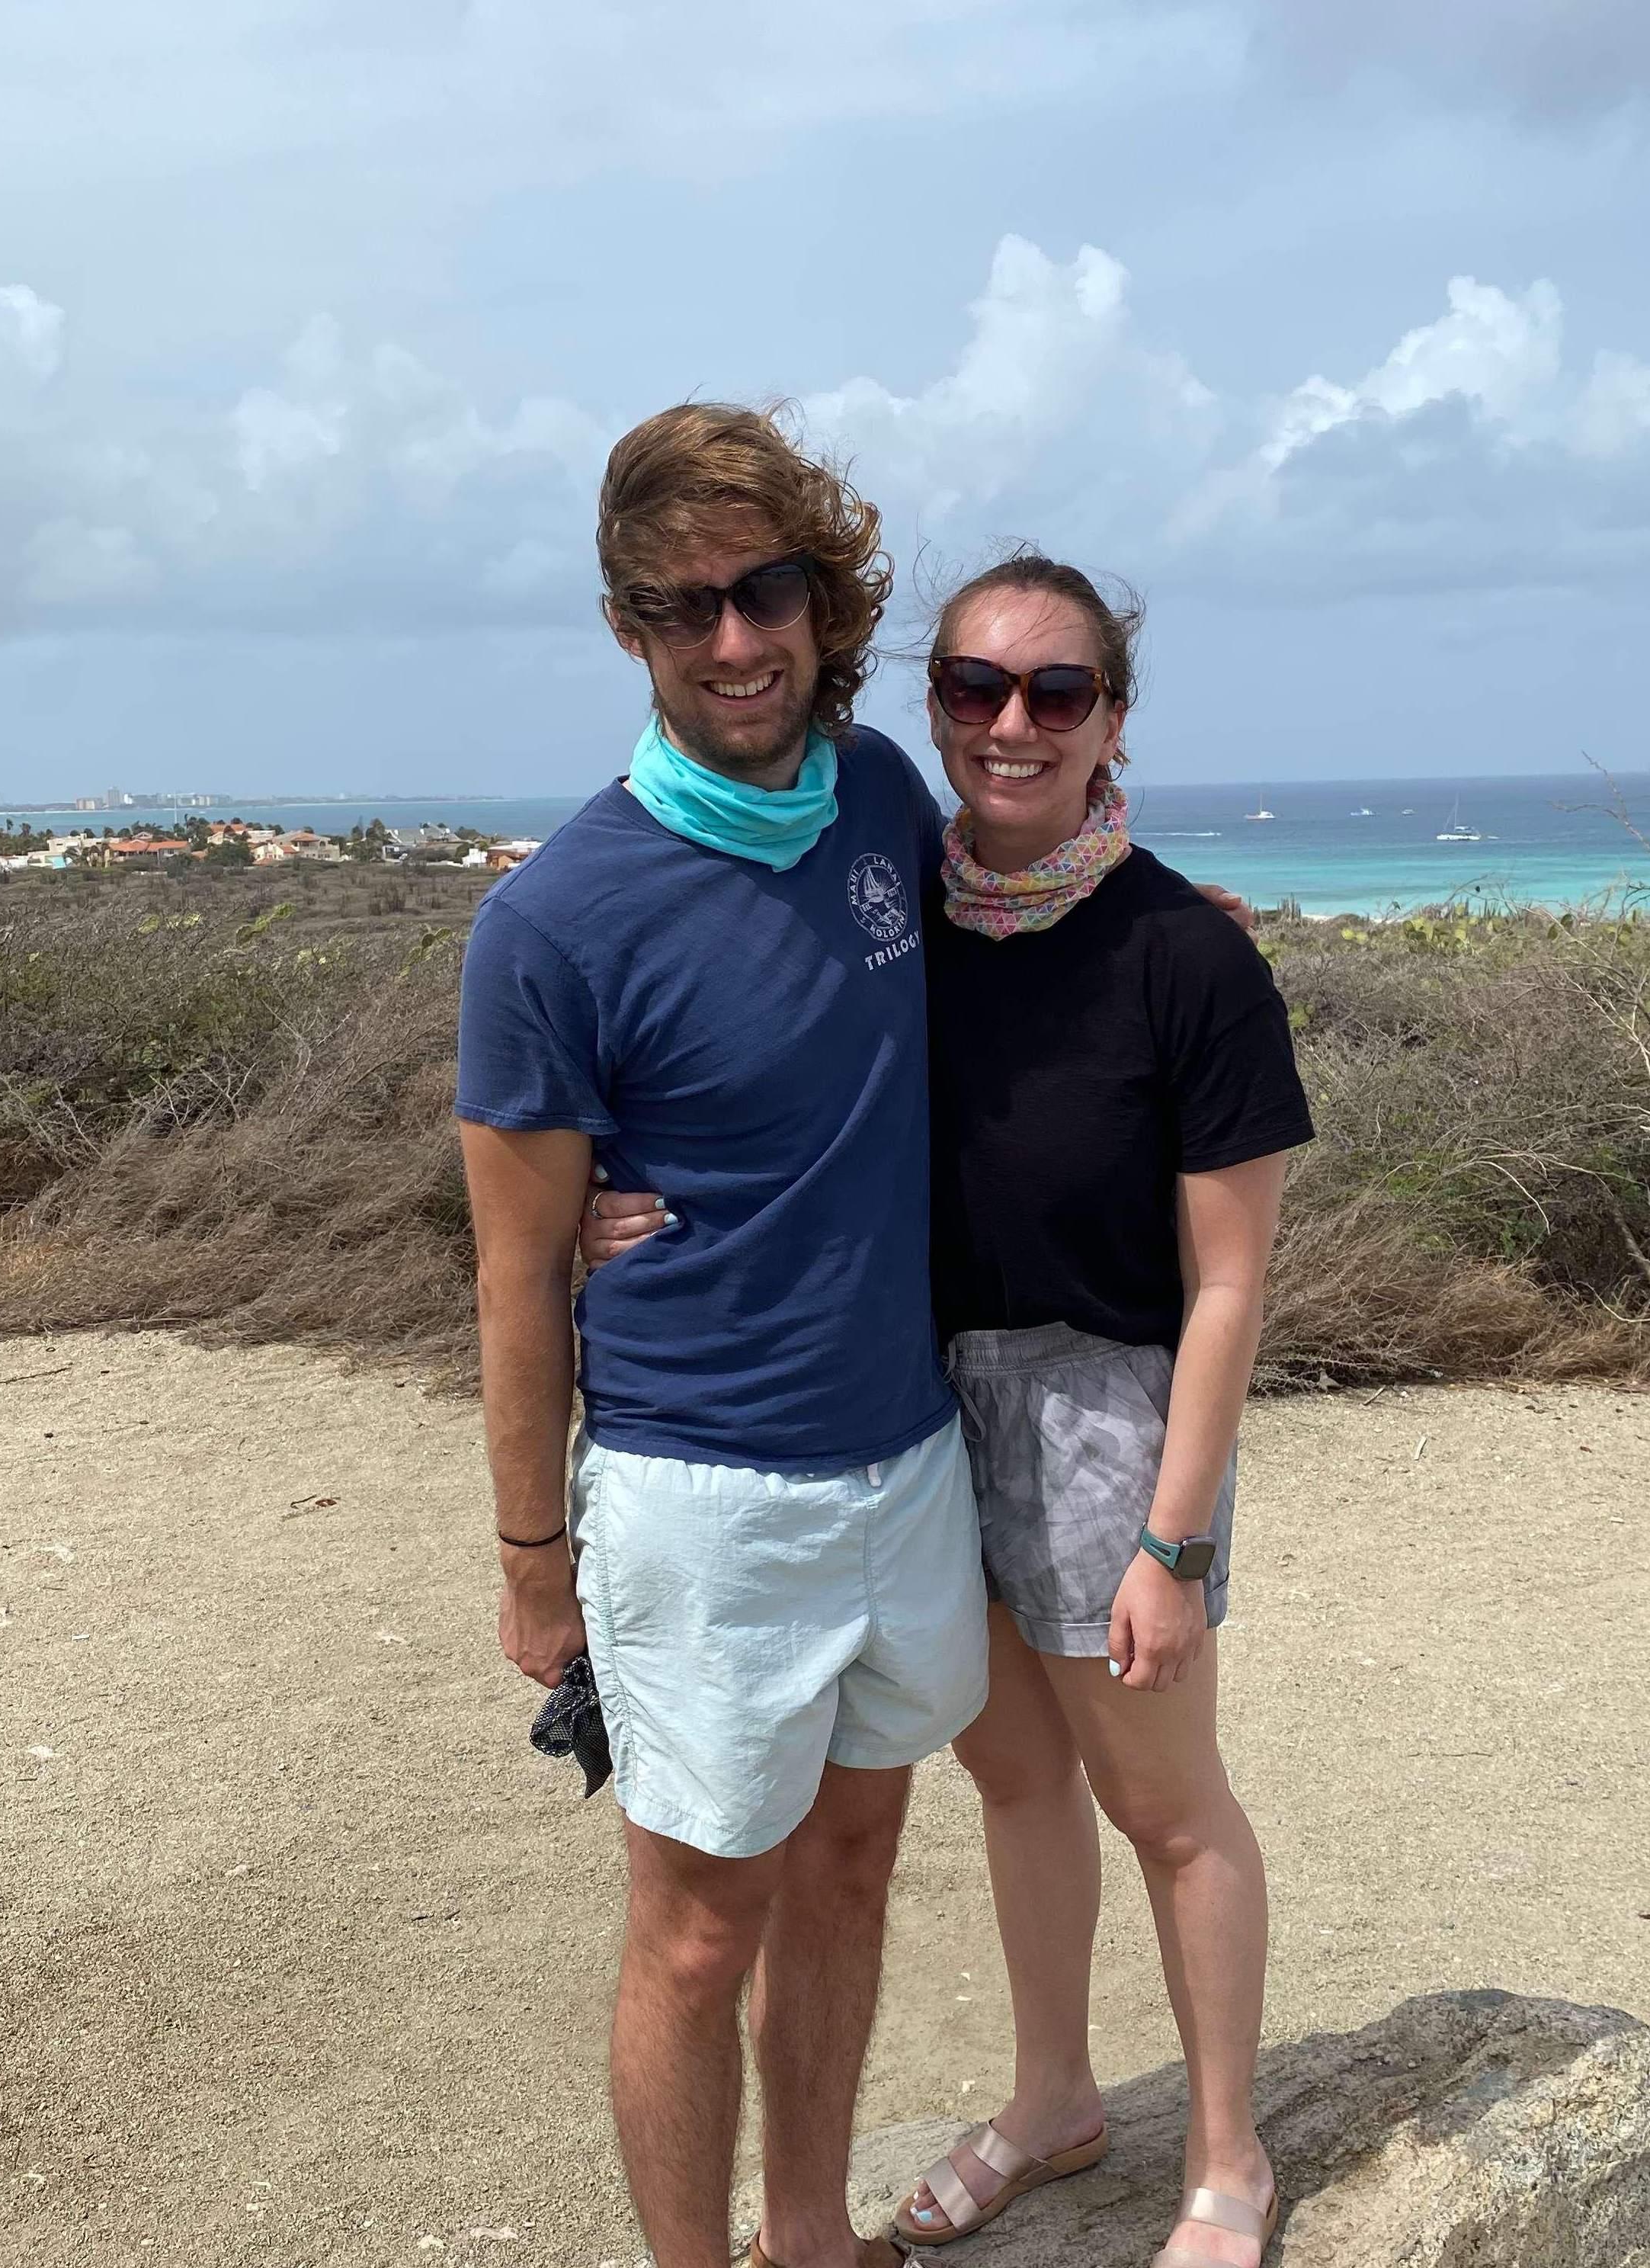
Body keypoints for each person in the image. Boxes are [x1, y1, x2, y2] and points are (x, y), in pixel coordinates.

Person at [590, 554, 1313, 2268]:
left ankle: (1227, 2160)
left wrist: (1174, 1535)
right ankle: (1055, 2095)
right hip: (918, 1398)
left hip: (1101, 1410)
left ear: (1112, 720)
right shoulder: (900, 898)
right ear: (929, 707)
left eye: (1056, 694)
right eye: (975, 688)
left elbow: (1228, 1284)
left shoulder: (1183, 960)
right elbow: (739, 1034)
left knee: (1166, 1799)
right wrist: (612, 1189)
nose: (1011, 724)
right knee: (1008, 1774)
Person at [453, 403, 988, 2268]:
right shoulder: (554, 921)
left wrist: (1174, 935)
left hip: (907, 1459)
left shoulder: (887, 801)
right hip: (700, 1497)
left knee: (851, 1869)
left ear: (824, 602)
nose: (734, 641)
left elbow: (1002, 988)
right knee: (695, 1928)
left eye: (765, 592)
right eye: (683, 609)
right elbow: (515, 1274)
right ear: (630, 630)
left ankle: (814, 2235)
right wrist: (536, 1565)